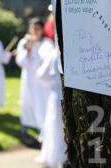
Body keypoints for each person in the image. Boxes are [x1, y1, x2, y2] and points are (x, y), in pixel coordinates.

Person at [35, 19, 67, 166]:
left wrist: (50, 84)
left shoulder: (54, 53)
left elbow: (41, 75)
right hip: (64, 94)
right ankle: (63, 156)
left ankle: (56, 156)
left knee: (54, 125)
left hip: (56, 94)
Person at [15, 18, 49, 144]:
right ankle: (25, 129)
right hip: (28, 79)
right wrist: (28, 49)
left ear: (42, 30)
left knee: (42, 104)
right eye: (33, 28)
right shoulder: (23, 42)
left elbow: (47, 61)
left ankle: (43, 131)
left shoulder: (46, 43)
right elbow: (21, 62)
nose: (35, 31)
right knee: (28, 103)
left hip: (42, 81)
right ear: (29, 29)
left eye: (38, 29)